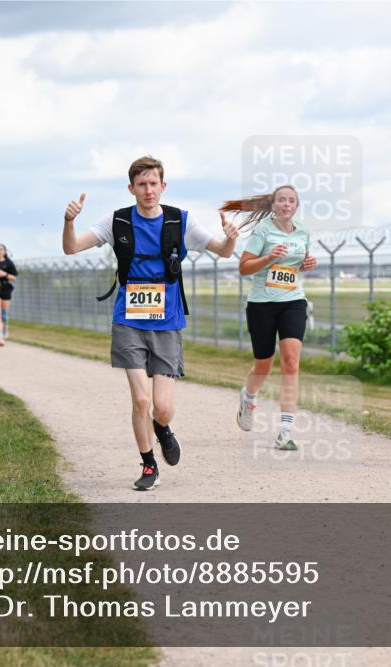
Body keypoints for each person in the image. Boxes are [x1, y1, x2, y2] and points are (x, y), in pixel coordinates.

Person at [61, 155, 239, 491]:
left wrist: (230, 237)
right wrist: (69, 221)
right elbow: (71, 248)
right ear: (131, 188)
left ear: (163, 186)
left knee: (162, 408)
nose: (148, 190)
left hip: (167, 322)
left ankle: (163, 428)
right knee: (141, 401)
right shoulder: (117, 221)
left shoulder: (180, 221)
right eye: (141, 184)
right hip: (128, 320)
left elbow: (224, 251)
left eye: (153, 183)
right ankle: (148, 464)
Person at [223, 185, 317, 451]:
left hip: (293, 301)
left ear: (296, 206)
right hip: (262, 304)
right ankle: (248, 397)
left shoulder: (303, 232)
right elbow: (244, 268)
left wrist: (307, 264)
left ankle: (285, 431)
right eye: (282, 200)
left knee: (291, 362)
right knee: (263, 365)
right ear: (273, 205)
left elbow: (294, 266)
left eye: (292, 201)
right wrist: (268, 258)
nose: (287, 204)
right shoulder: (263, 231)